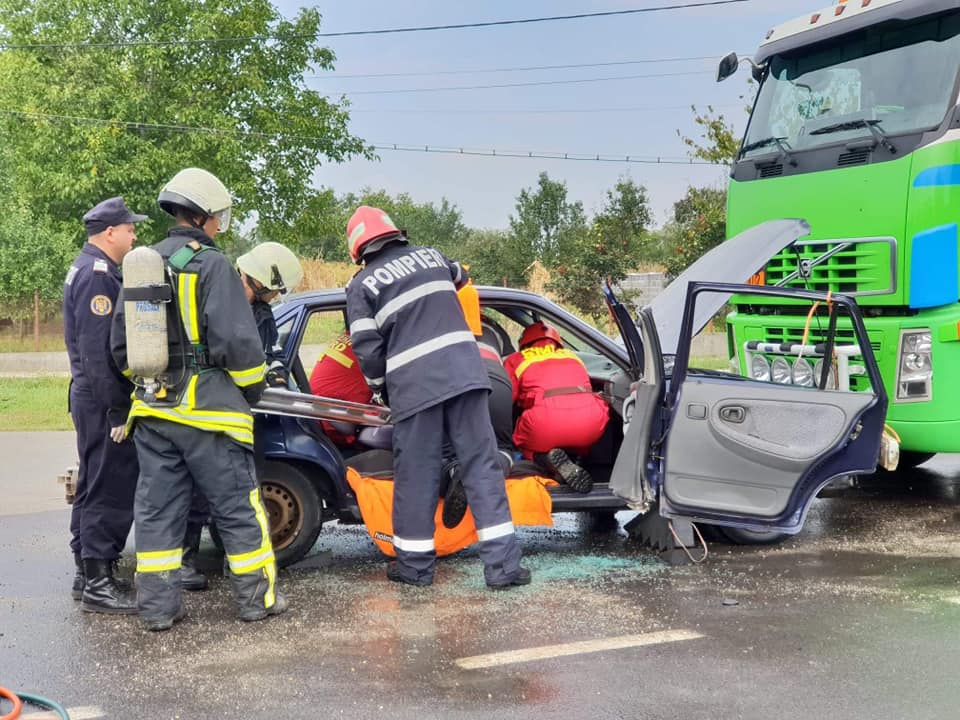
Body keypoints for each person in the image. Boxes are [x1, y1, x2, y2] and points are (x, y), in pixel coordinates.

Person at [111, 167, 286, 631]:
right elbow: (239, 347)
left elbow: (121, 352)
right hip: (209, 415)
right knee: (237, 508)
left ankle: (157, 610)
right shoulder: (211, 265)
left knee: (157, 514)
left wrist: (154, 382)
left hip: (153, 413)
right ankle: (256, 601)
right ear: (207, 216)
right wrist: (251, 390)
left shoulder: (142, 264)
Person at [344, 205, 530, 588]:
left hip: (414, 389)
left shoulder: (361, 286)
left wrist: (381, 390)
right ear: (396, 233)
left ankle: (414, 569)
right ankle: (504, 569)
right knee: (481, 466)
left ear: (359, 249)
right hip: (466, 375)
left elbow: (367, 349)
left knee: (417, 475)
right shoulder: (432, 256)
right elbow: (461, 277)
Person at [63, 197, 147, 613]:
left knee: (93, 480)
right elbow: (98, 353)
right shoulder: (98, 276)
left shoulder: (88, 267)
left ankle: (86, 571)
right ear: (110, 232)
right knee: (109, 486)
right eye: (130, 229)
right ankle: (99, 581)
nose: (134, 235)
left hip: (89, 397)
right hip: (101, 400)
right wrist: (118, 409)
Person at [503, 321, 610, 493]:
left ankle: (548, 463)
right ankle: (574, 464)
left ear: (524, 343)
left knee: (526, 442)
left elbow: (505, 398)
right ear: (558, 342)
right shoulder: (573, 357)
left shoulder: (516, 359)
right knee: (578, 434)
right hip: (589, 424)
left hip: (544, 425)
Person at [237, 241, 304, 388]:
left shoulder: (262, 314)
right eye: (276, 291)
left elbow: (273, 351)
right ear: (260, 284)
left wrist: (277, 375)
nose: (275, 296)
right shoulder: (224, 310)